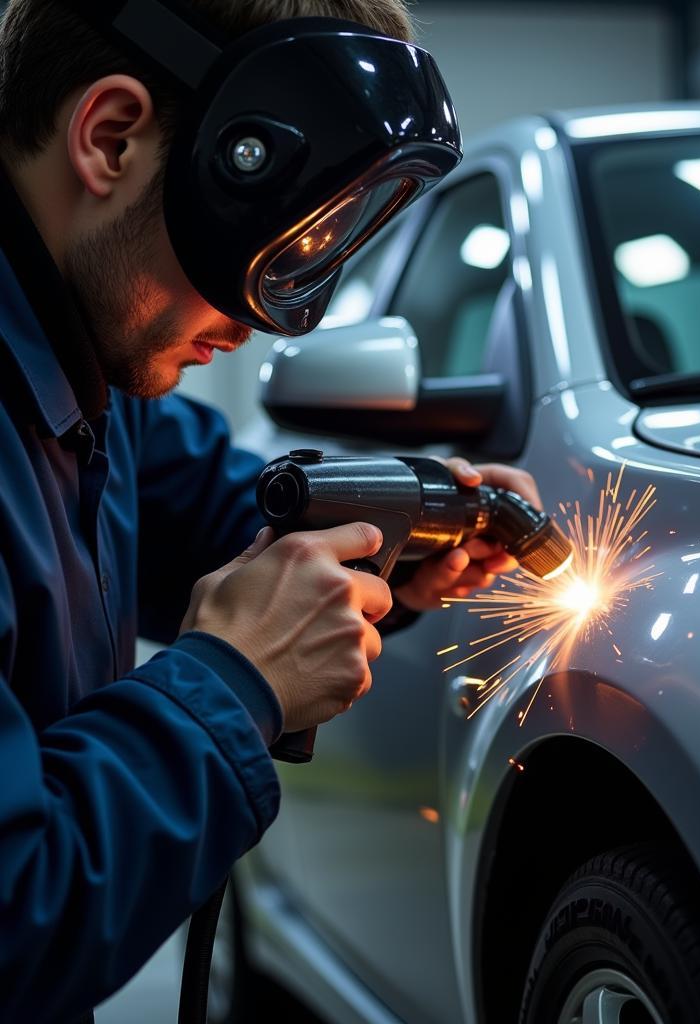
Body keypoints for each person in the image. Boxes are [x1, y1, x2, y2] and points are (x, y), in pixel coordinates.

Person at [0, 1, 541, 1020]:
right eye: (285, 238)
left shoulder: (84, 384)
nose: (275, 314)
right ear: (110, 137)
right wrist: (234, 683)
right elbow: (13, 913)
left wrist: (407, 528)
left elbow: (207, 505)